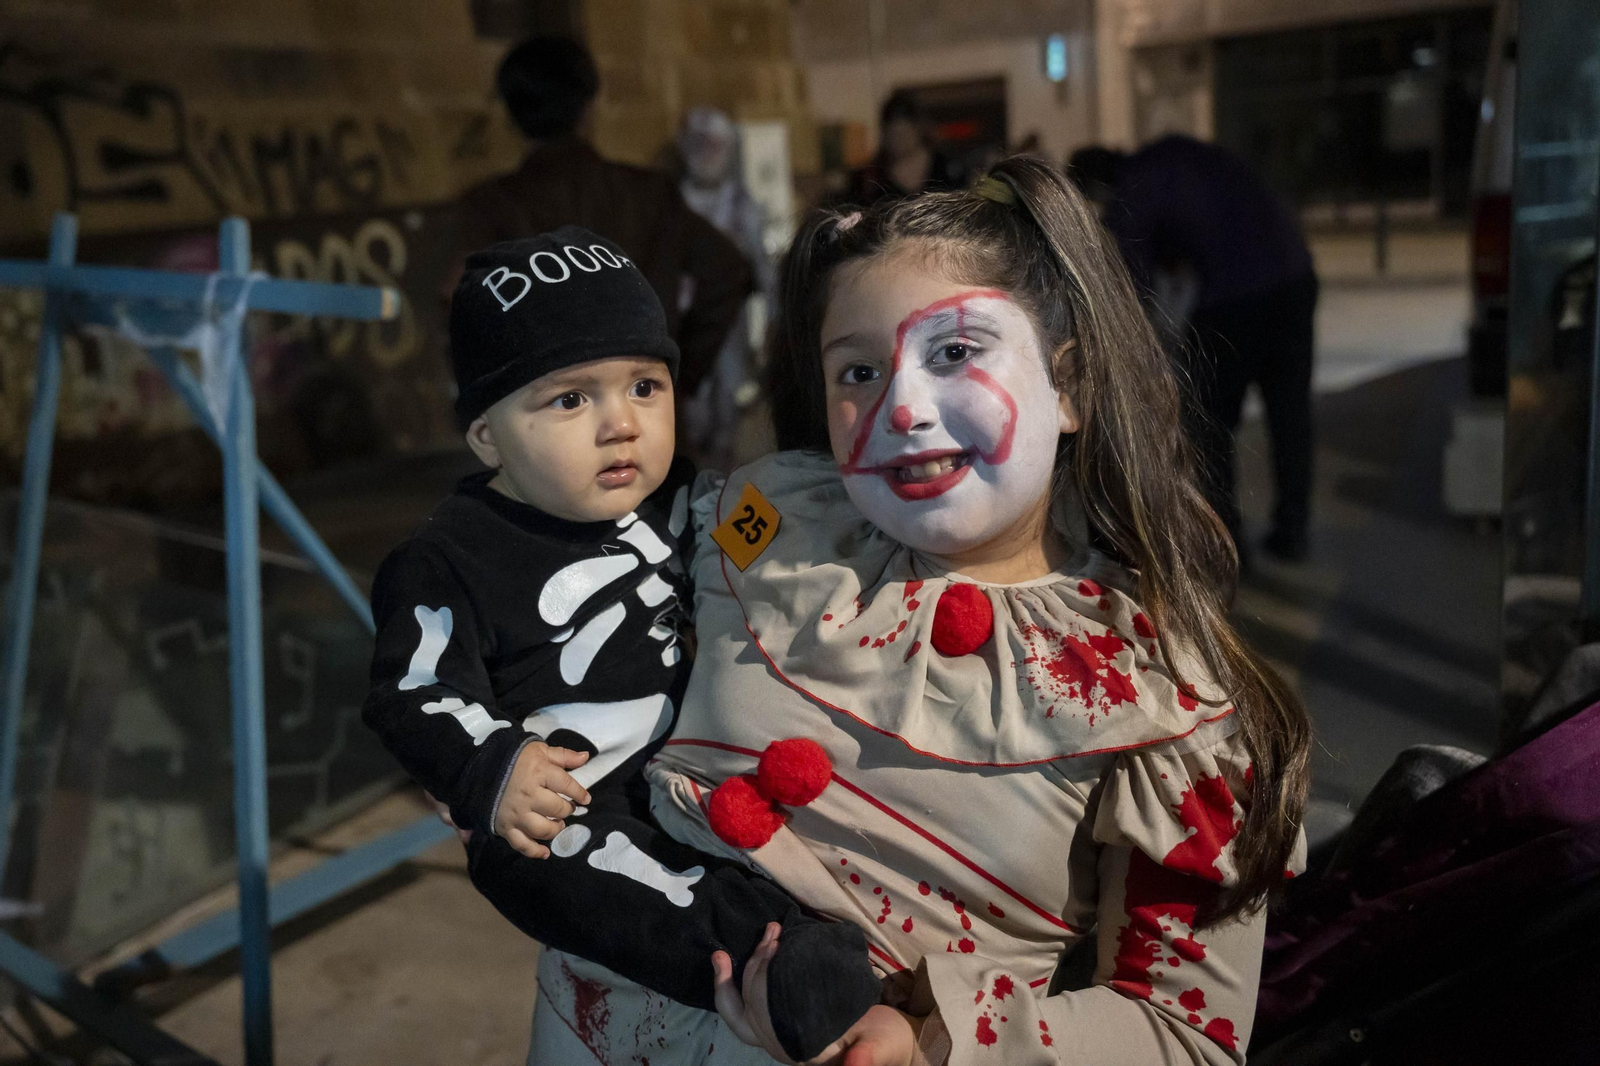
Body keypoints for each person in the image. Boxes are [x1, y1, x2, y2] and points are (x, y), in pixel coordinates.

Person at [524, 157, 1312, 1065]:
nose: (900, 407)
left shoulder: (1156, 692)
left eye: (956, 352)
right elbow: (584, 611)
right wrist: (477, 725)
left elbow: (1184, 1035)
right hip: (578, 1025)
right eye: (859, 370)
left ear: (1069, 386)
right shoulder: (769, 521)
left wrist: (931, 1040)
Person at [362, 229, 881, 1063]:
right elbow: (412, 690)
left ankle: (813, 935)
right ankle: (778, 967)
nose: (622, 425)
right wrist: (489, 767)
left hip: (693, 768)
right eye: (571, 400)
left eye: (645, 386)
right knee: (608, 880)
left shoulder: (681, 499)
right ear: (489, 435)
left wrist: (823, 539)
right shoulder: (448, 560)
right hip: (565, 808)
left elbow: (761, 541)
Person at [450, 35, 753, 395]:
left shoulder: (488, 207)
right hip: (645, 403)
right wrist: (677, 371)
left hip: (546, 412)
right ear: (589, 106)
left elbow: (462, 313)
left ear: (510, 116)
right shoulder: (649, 193)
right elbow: (727, 270)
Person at [1069, 137, 1319, 562]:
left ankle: (1228, 544)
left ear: (1096, 188)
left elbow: (1130, 288)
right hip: (1294, 276)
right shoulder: (1176, 154)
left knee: (1211, 425)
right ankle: (1292, 530)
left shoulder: (1132, 190)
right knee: (1290, 412)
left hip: (1234, 297)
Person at [676, 107, 775, 469]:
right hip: (686, 324)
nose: (705, 154)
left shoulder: (742, 205)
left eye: (713, 146)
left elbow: (764, 272)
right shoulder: (672, 203)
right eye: (698, 145)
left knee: (730, 397)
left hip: (732, 324)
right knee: (692, 399)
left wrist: (772, 326)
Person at [839, 89, 963, 208]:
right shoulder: (872, 178)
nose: (898, 141)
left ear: (918, 129)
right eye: (893, 134)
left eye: (904, 134)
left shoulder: (948, 168)